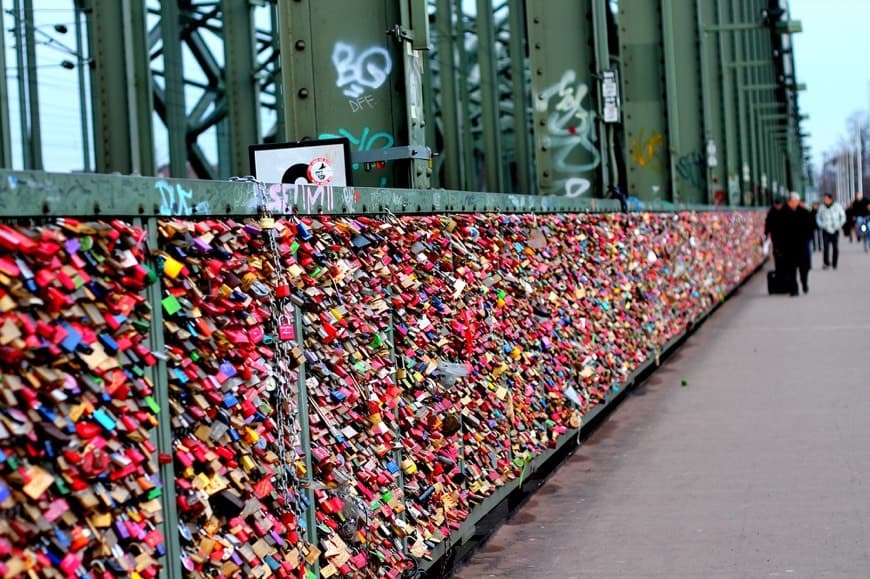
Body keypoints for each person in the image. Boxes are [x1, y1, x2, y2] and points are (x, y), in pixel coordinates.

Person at [778, 192, 814, 296]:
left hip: (802, 245)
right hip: (788, 246)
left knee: (804, 268)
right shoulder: (783, 213)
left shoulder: (804, 212)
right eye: (792, 201)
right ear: (789, 201)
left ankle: (804, 283)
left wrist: (808, 237)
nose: (794, 203)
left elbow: (811, 224)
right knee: (790, 269)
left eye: (796, 201)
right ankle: (794, 289)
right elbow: (779, 230)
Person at [816, 192, 846, 270]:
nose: (825, 200)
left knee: (835, 247)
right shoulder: (821, 207)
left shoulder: (837, 206)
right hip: (825, 230)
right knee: (826, 247)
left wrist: (839, 225)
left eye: (826, 199)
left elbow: (842, 217)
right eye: (824, 199)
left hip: (835, 230)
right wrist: (821, 225)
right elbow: (818, 218)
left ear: (830, 199)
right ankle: (826, 263)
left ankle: (834, 263)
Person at [764, 195, 785, 274]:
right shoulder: (771, 212)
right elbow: (767, 224)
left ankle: (783, 268)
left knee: (783, 253)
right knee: (776, 252)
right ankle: (778, 269)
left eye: (779, 205)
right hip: (775, 236)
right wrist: (766, 233)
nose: (778, 206)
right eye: (777, 205)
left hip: (784, 236)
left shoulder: (784, 211)